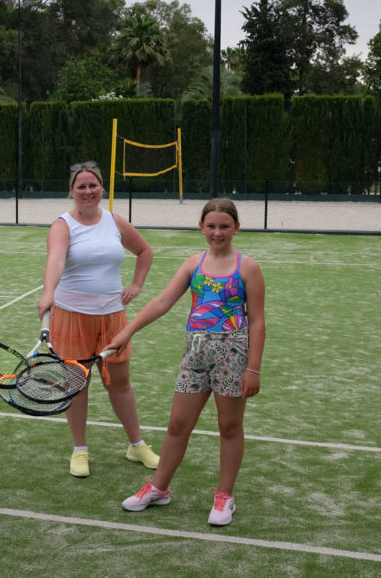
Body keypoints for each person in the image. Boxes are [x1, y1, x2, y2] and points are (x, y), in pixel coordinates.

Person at [111, 197, 265, 527]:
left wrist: (253, 368)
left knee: (229, 427)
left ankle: (225, 495)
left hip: (232, 358)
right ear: (201, 227)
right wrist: (127, 331)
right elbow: (163, 301)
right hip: (195, 357)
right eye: (211, 226)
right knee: (178, 425)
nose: (217, 232)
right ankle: (159, 488)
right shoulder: (193, 264)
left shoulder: (248, 267)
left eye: (224, 226)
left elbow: (257, 321)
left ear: (236, 228)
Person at [37, 160, 158, 478]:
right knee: (77, 385)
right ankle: (80, 449)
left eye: (93, 185)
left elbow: (145, 251)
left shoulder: (115, 221)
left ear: (102, 187)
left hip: (112, 318)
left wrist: (137, 285)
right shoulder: (62, 225)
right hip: (71, 317)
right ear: (72, 191)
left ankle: (136, 445)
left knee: (120, 384)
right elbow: (55, 259)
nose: (88, 191)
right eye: (81, 186)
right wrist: (48, 292)